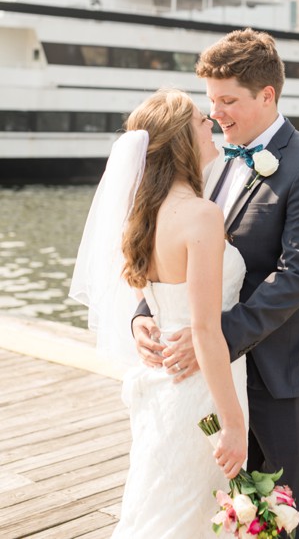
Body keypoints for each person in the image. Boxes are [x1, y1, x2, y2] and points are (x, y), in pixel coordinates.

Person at [132, 28, 299, 538]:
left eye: (228, 100)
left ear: (267, 95)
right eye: (211, 102)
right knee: (230, 515)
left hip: (280, 373)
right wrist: (146, 314)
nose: (216, 115)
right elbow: (177, 254)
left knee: (297, 515)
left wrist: (216, 335)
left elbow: (298, 275)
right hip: (213, 379)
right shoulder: (213, 163)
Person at [70, 89, 248, 537]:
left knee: (161, 505)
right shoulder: (200, 216)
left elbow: (148, 294)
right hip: (201, 391)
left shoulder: (141, 216)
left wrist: (141, 320)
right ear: (182, 140)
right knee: (189, 515)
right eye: (201, 120)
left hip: (162, 384)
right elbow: (206, 330)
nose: (212, 124)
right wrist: (233, 424)